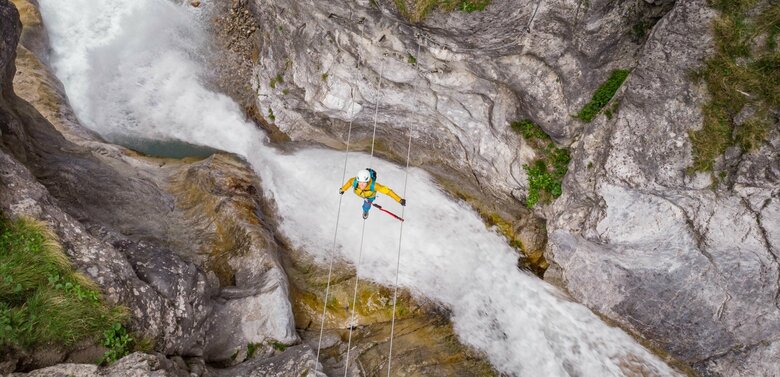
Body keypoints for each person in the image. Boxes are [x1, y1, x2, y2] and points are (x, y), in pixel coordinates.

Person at [340, 169, 406, 219]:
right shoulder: (354, 181)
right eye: (360, 182)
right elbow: (349, 183)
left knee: (366, 206)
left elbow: (388, 191)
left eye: (364, 182)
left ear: (368, 181)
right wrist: (343, 189)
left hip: (369, 196)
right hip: (360, 193)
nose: (361, 185)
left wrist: (399, 200)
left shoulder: (374, 186)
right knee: (366, 201)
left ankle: (365, 211)